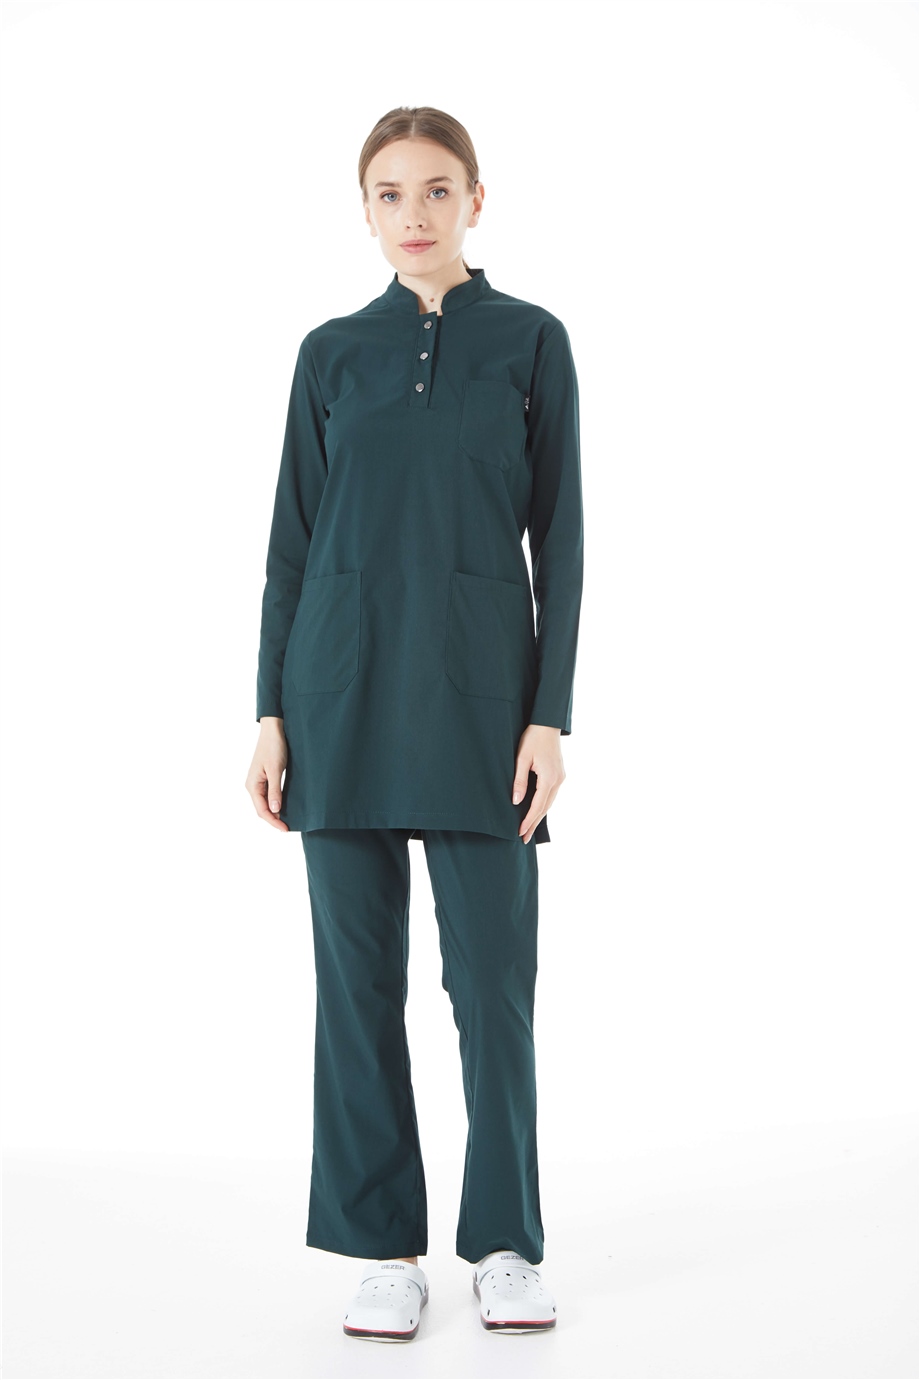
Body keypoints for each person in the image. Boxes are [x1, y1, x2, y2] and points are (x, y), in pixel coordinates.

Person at [245, 105, 583, 1341]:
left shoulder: (530, 342)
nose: (413, 215)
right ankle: (382, 1246)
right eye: (388, 194)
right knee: (355, 986)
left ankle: (503, 1242)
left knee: (491, 983)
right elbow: (289, 548)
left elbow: (563, 540)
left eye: (436, 190)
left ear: (475, 200)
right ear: (365, 210)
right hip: (335, 697)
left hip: (481, 703)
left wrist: (549, 717)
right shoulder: (330, 354)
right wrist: (269, 709)